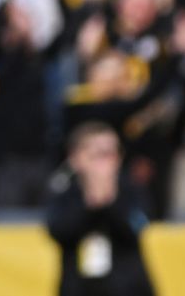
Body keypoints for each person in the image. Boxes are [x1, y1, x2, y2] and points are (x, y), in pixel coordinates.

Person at [46, 122, 155, 296]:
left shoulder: (131, 190)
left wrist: (111, 201)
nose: (105, 162)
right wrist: (89, 204)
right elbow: (57, 231)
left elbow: (138, 227)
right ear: (76, 158)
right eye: (98, 155)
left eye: (112, 154)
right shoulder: (65, 193)